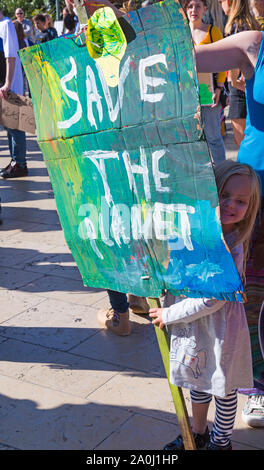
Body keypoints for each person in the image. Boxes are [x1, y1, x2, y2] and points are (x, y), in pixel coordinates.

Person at [149, 160, 261, 450]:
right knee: (197, 380)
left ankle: (221, 442)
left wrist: (168, 313)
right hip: (194, 326)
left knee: (222, 388)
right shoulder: (192, 233)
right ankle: (198, 432)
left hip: (220, 329)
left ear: (251, 207)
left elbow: (211, 301)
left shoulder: (232, 246)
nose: (230, 205)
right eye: (224, 195)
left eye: (240, 201)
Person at [196, 7, 264, 429]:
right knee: (249, 296)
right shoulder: (254, 44)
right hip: (256, 195)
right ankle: (256, 387)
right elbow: (176, 58)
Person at [182, 0, 226, 164]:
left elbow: (223, 62)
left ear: (205, 9)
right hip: (186, 97)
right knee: (192, 139)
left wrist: (219, 89)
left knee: (213, 137)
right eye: (190, 6)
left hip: (209, 95)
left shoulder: (213, 32)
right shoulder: (180, 34)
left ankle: (221, 174)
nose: (194, 10)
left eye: (198, 6)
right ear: (185, 9)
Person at [221, 0, 259, 150]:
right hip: (253, 83)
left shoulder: (234, 26)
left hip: (240, 85)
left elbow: (235, 65)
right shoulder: (254, 24)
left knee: (242, 143)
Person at [0, 9, 28, 178]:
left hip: (8, 85)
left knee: (15, 126)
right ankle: (14, 160)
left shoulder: (6, 25)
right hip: (3, 83)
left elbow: (10, 56)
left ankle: (20, 163)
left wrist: (8, 83)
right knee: (7, 125)